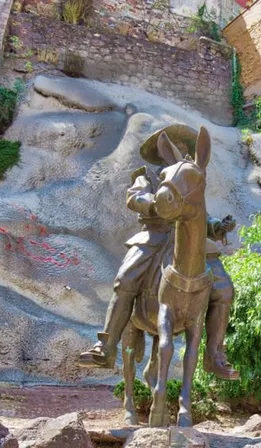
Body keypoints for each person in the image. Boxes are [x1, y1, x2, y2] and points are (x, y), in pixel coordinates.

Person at [79, 124, 240, 380]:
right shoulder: (148, 177)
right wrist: (155, 203)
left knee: (223, 288)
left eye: (185, 146)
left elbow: (199, 213)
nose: (182, 150)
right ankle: (106, 346)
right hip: (155, 236)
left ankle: (215, 354)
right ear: (162, 151)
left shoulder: (189, 178)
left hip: (189, 240)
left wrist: (216, 227)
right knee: (126, 279)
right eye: (176, 146)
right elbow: (134, 197)